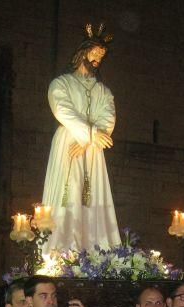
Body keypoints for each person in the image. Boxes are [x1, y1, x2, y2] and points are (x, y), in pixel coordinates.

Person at [41, 23, 120, 251]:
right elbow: (63, 110)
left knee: (92, 195)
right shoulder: (61, 84)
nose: (97, 59)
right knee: (69, 192)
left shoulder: (104, 92)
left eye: (101, 56)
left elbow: (108, 119)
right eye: (95, 53)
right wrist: (89, 135)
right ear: (83, 52)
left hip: (92, 150)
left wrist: (87, 142)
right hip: (68, 142)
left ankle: (95, 250)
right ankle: (63, 248)